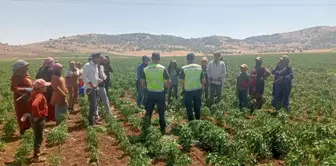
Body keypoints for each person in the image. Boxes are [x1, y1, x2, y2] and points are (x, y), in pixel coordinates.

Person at [141, 52, 170, 135]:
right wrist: (166, 90)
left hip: (150, 93)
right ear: (159, 59)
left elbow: (142, 83)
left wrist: (146, 89)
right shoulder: (162, 68)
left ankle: (146, 129)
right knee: (161, 112)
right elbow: (168, 82)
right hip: (160, 94)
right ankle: (163, 131)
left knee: (148, 111)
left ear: (152, 59)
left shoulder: (146, 69)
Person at [28, 79, 50, 162]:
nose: (46, 87)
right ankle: (36, 157)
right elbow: (34, 105)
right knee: (39, 137)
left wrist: (32, 114)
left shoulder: (34, 94)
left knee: (38, 135)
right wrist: (37, 115)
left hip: (34, 119)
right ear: (40, 88)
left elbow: (29, 103)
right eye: (44, 86)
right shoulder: (39, 95)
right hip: (39, 119)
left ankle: (38, 151)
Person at [179, 53, 205, 121]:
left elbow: (181, 80)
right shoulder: (199, 67)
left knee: (189, 106)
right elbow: (203, 80)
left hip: (188, 90)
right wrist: (202, 88)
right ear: (194, 59)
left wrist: (183, 88)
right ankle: (198, 119)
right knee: (197, 105)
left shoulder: (184, 68)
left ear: (187, 59)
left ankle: (191, 121)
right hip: (197, 89)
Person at [11, 60, 33, 135]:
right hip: (21, 99)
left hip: (29, 97)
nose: (27, 68)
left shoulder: (27, 74)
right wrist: (25, 89)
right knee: (22, 113)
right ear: (19, 68)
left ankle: (30, 129)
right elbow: (14, 88)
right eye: (25, 67)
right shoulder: (16, 77)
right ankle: (23, 131)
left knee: (30, 112)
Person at [83, 53, 103, 125]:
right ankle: (91, 121)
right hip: (90, 88)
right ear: (94, 58)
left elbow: (94, 77)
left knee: (96, 104)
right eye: (98, 58)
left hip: (96, 88)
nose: (99, 59)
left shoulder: (95, 66)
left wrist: (99, 80)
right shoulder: (87, 65)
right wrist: (92, 84)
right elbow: (84, 77)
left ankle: (94, 119)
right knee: (93, 105)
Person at [36, 57, 55, 122]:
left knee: (44, 102)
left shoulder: (41, 68)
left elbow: (37, 77)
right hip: (50, 87)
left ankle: (45, 116)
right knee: (51, 102)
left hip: (42, 88)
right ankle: (51, 117)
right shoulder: (52, 69)